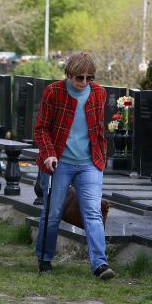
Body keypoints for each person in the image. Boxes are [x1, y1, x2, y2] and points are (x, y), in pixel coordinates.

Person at [34, 52, 114, 280]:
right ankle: (44, 258)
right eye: (80, 77)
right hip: (59, 163)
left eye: (90, 77)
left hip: (89, 163)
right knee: (53, 213)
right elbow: (41, 128)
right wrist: (49, 154)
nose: (85, 82)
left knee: (93, 212)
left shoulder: (99, 93)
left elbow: (98, 129)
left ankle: (100, 264)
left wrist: (100, 156)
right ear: (69, 74)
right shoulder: (54, 92)